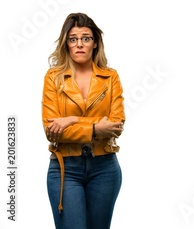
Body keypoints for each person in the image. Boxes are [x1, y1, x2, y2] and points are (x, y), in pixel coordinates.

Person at [41, 12, 125, 229]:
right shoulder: (54, 78)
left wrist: (71, 119)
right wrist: (97, 128)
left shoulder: (110, 77)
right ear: (66, 44)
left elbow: (116, 124)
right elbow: (52, 130)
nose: (79, 44)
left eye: (86, 38)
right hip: (65, 168)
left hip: (105, 168)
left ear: (95, 43)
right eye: (73, 39)